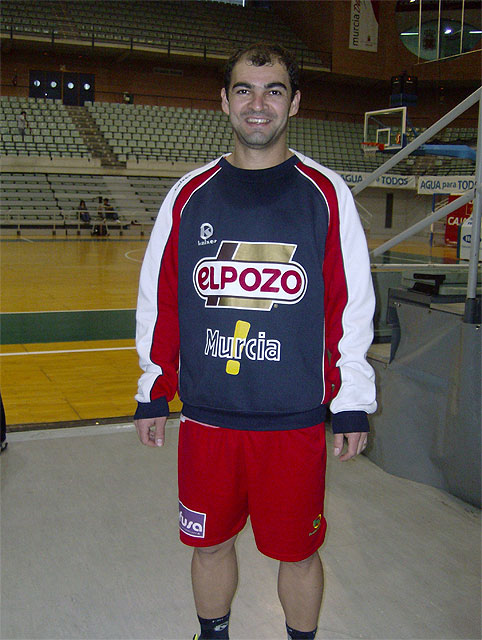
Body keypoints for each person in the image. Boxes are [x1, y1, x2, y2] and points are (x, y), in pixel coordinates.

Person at [134, 43, 377, 640]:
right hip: (209, 418)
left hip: (293, 420)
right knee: (210, 544)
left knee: (299, 552)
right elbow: (161, 299)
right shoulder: (189, 194)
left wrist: (351, 400)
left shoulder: (326, 193)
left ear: (294, 103)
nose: (258, 104)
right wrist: (154, 387)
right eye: (244, 89)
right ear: (225, 100)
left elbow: (349, 304)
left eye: (273, 90)